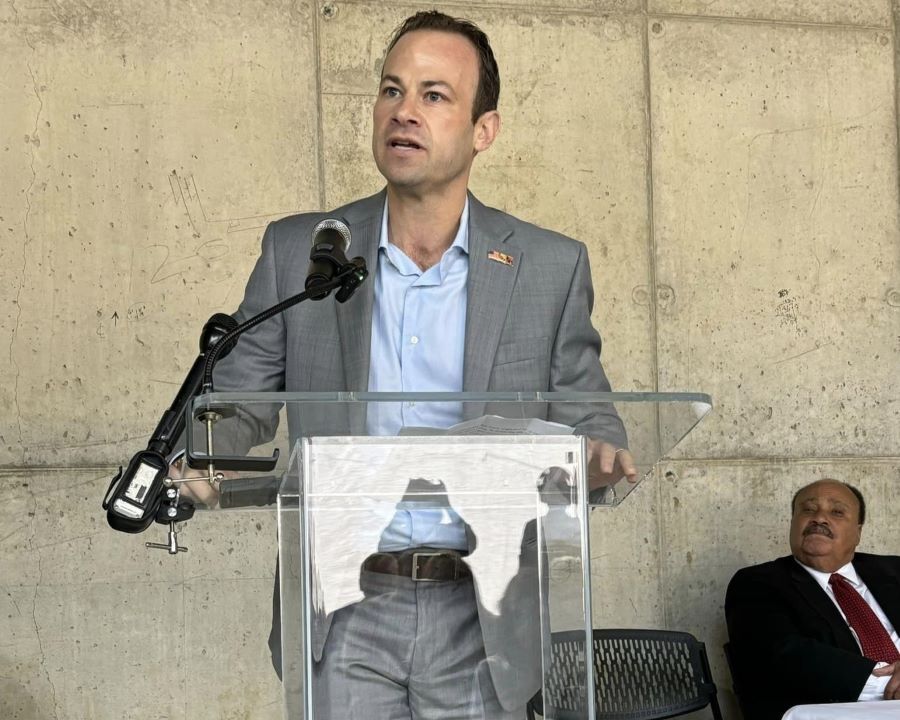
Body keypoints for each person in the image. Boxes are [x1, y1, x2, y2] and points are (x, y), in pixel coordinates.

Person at [181, 10, 636, 719]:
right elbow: (237, 403)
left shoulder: (547, 266)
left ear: (484, 130)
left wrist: (602, 458)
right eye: (391, 91)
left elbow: (589, 415)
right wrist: (196, 462)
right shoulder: (305, 251)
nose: (404, 113)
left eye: (434, 95)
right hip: (344, 604)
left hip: (484, 608)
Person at [725, 479, 900, 720]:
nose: (819, 518)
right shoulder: (758, 583)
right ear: (792, 523)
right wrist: (893, 685)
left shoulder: (894, 570)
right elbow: (785, 657)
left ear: (858, 531)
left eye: (837, 512)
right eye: (808, 510)